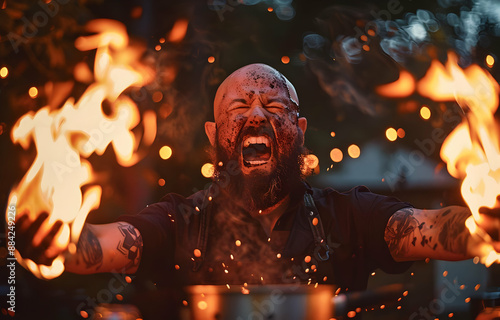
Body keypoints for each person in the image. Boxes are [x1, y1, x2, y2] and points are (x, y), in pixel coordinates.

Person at [16, 63, 499, 318]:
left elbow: (434, 228)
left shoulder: (349, 215)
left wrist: (483, 225)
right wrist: (49, 240)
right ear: (214, 135)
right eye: (240, 106)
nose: (257, 115)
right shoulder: (181, 220)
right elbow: (99, 246)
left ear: (299, 129)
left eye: (274, 104)